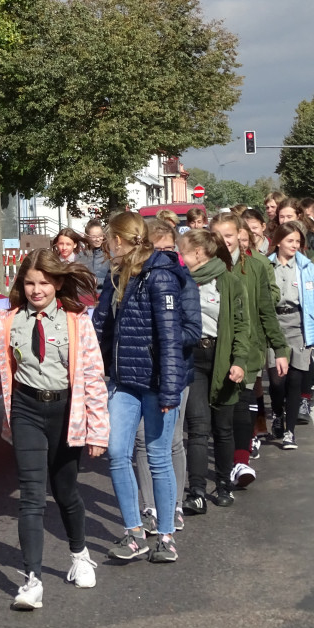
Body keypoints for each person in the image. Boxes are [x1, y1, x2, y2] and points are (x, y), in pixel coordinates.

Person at [0, 249, 109, 610]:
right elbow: (6, 368)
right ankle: (32, 581)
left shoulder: (77, 320)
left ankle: (79, 555)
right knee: (31, 495)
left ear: (58, 283)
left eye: (44, 282)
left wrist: (97, 431)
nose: (36, 289)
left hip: (66, 413)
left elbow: (92, 376)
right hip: (27, 410)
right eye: (29, 282)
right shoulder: (9, 320)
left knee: (65, 492)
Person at [92, 212, 187, 564]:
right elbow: (102, 327)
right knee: (118, 454)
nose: (105, 248)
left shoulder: (161, 276)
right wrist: (93, 373)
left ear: (119, 240)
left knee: (158, 458)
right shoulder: (115, 275)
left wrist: (170, 391)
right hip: (123, 383)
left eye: (107, 241)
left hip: (156, 384)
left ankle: (165, 536)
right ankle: (134, 533)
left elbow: (171, 339)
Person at [210, 212, 289, 492]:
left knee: (242, 406)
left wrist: (279, 348)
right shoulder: (205, 267)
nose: (224, 241)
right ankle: (226, 461)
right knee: (222, 412)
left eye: (229, 235)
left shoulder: (255, 266)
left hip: (249, 346)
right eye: (219, 236)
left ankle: (240, 462)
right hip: (215, 350)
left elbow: (266, 310)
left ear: (241, 239)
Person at [134, 218, 200, 533]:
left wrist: (164, 335)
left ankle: (172, 505)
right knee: (142, 442)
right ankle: (149, 508)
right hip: (141, 374)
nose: (163, 257)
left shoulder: (184, 280)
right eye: (156, 250)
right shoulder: (134, 279)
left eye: (168, 250)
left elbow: (193, 330)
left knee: (172, 441)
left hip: (176, 371)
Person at [176, 229, 250, 510]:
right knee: (196, 427)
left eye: (182, 252)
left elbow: (243, 326)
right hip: (192, 357)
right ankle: (196, 491)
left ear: (198, 253)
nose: (179, 258)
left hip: (222, 358)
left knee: (222, 427)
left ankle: (222, 485)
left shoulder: (230, 283)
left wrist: (239, 361)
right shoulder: (182, 282)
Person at [265, 221, 314, 449]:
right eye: (290, 240)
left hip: (299, 325)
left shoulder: (306, 267)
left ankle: (289, 431)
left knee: (295, 379)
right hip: (273, 324)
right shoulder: (266, 266)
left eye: (298, 241)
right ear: (278, 242)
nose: (295, 245)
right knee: (277, 380)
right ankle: (277, 413)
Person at [80, 219, 109, 294]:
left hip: (105, 296)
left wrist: (98, 281)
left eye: (100, 236)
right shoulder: (81, 256)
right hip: (87, 297)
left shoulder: (111, 255)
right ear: (87, 237)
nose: (98, 239)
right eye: (94, 237)